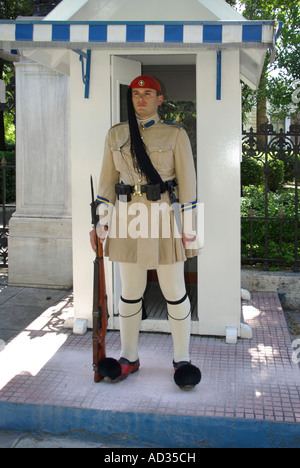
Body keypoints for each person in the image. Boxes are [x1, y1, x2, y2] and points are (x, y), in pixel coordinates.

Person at [90, 75, 202, 390]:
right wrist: (101, 220)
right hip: (127, 218)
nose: (140, 99)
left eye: (148, 93)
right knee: (130, 291)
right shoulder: (116, 134)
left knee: (174, 290)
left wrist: (189, 227)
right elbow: (106, 181)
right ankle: (129, 357)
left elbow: (188, 185)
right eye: (136, 94)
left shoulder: (175, 135)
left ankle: (182, 359)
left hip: (163, 216)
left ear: (160, 99)